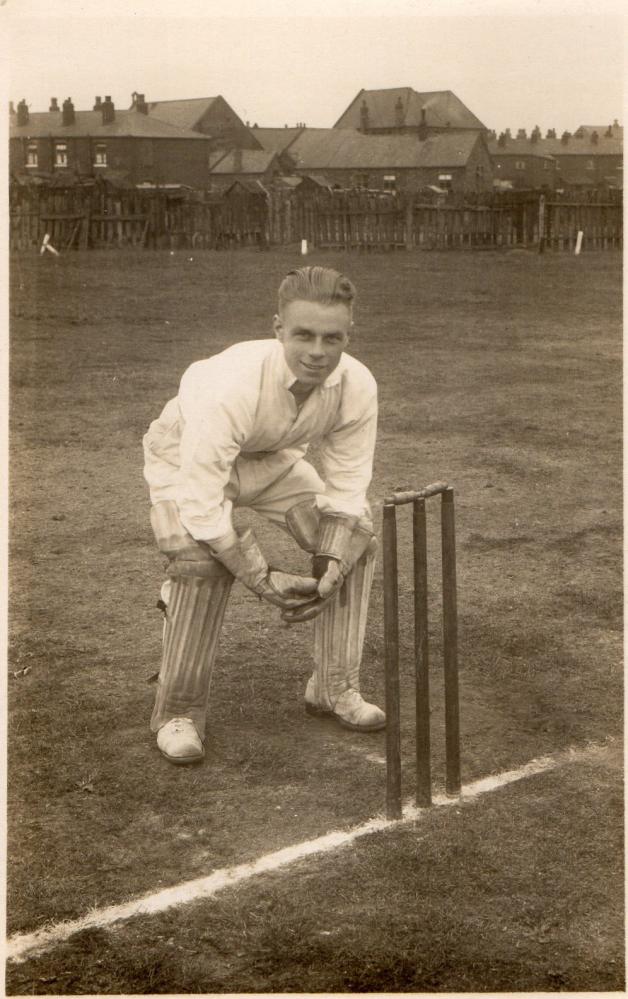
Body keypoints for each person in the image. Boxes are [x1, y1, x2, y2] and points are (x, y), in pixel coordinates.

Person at [143, 264, 385, 765]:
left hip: (273, 460)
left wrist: (333, 561)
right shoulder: (232, 384)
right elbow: (205, 504)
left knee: (356, 541)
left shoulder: (357, 385)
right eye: (303, 335)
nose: (317, 351)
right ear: (279, 330)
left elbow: (347, 484)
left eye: (331, 337)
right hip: (185, 458)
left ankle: (333, 686)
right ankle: (177, 713)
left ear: (348, 336)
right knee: (200, 562)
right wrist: (260, 577)